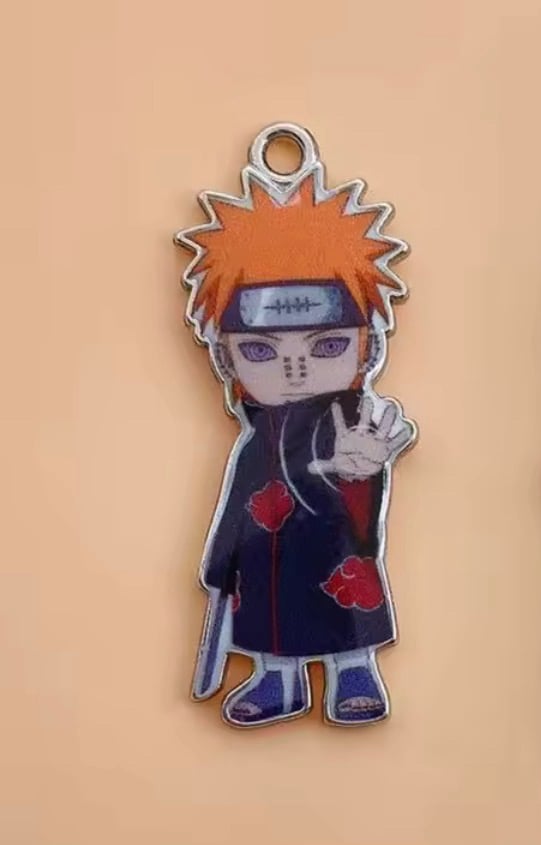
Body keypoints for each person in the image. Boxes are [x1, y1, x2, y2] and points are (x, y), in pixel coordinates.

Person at [179, 174, 414, 727]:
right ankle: (277, 682)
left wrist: (363, 469)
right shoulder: (254, 438)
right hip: (264, 560)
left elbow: (362, 486)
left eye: (326, 345)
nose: (295, 369)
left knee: (344, 608)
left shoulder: (349, 421)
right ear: (226, 357)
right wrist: (220, 564)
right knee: (269, 619)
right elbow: (236, 503)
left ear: (367, 348)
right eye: (261, 350)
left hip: (333, 550)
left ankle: (354, 671)